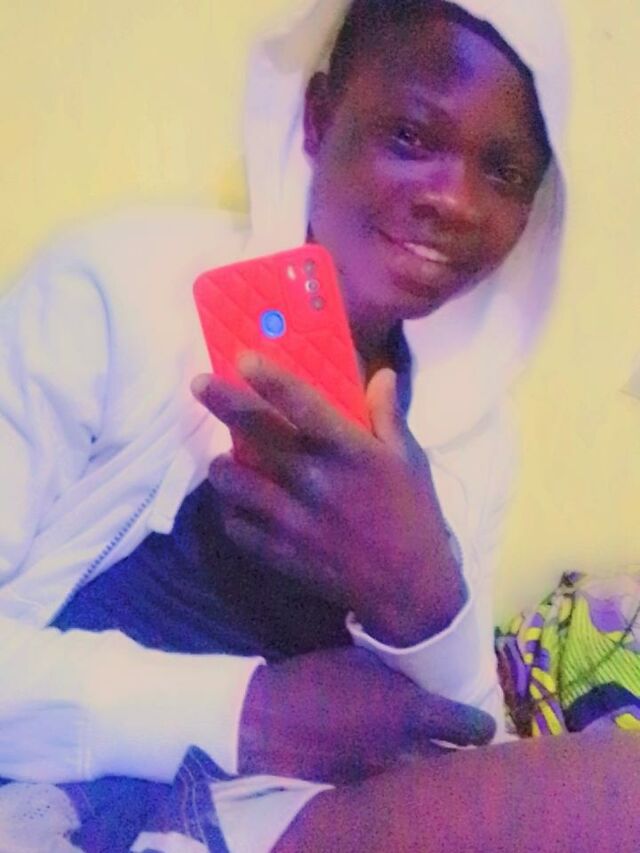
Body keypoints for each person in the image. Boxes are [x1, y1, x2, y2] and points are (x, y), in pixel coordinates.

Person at [0, 0, 588, 849]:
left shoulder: (470, 429)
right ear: (318, 118)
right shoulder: (116, 294)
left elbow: (466, 744)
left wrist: (427, 595)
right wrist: (244, 712)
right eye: (411, 137)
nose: (456, 201)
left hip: (283, 812)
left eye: (504, 172)